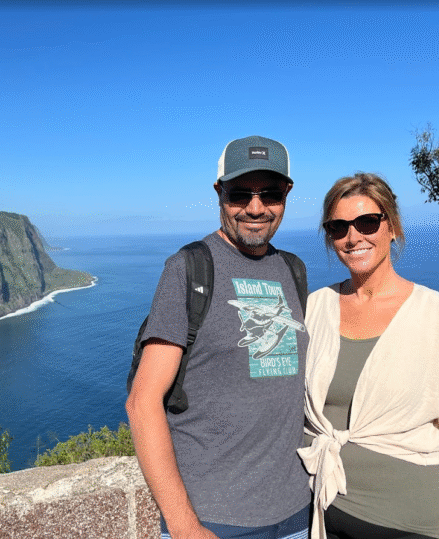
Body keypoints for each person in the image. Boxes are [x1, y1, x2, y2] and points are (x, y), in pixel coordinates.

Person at [126, 136, 311, 539]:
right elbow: (142, 403)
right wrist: (183, 524)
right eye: (240, 194)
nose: (256, 208)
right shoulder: (189, 269)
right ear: (219, 193)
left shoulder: (292, 270)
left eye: (270, 194)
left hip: (298, 513)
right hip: (214, 522)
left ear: (287, 194)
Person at [298, 173, 439, 539]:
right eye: (339, 227)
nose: (353, 236)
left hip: (409, 522)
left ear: (391, 227)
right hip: (322, 511)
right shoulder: (315, 307)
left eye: (367, 222)